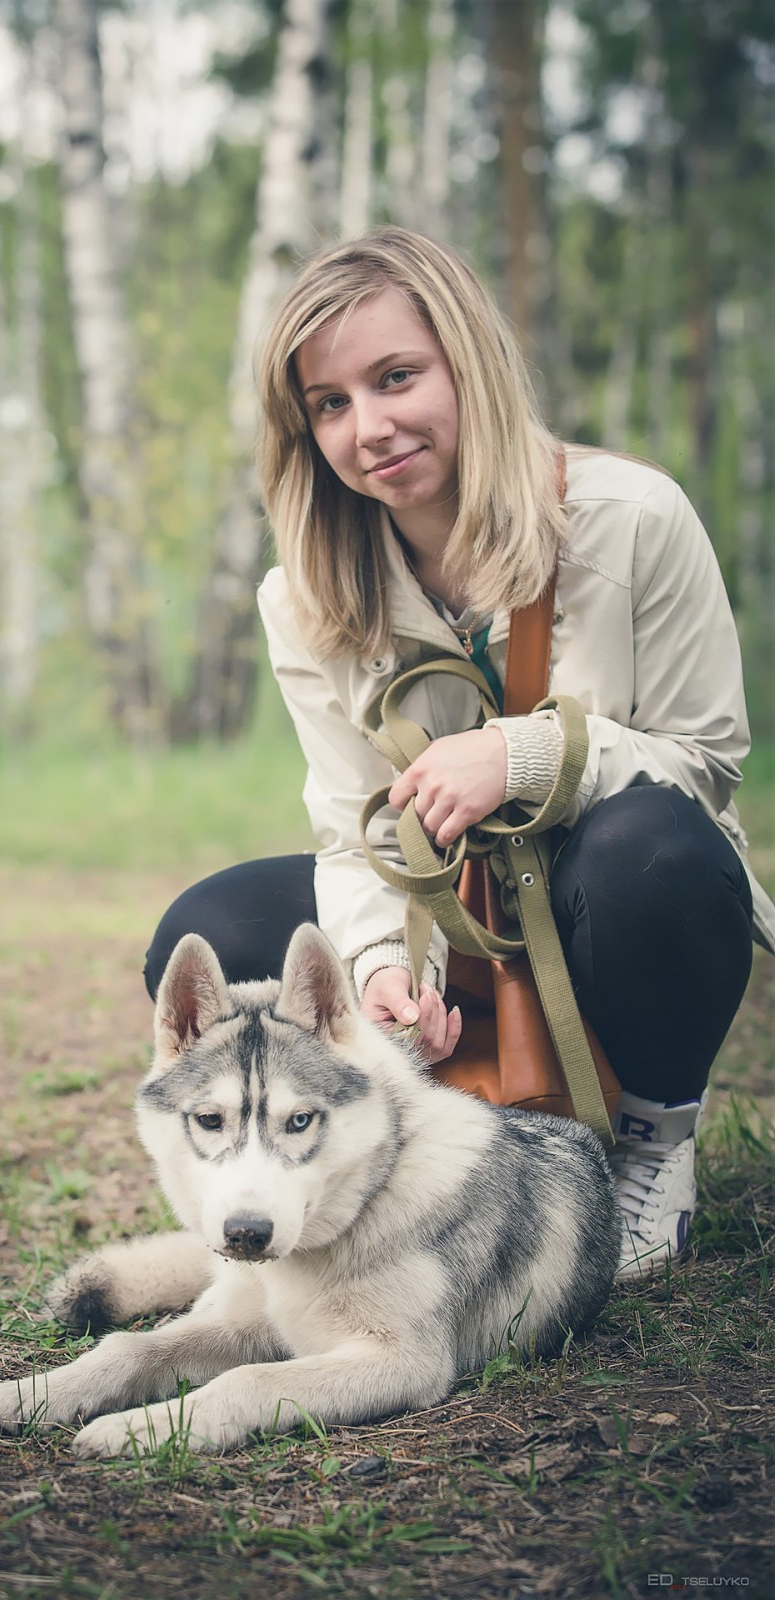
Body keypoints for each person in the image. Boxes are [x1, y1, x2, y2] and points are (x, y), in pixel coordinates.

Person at [145, 227, 775, 1280]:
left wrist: (521, 758)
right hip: (440, 908)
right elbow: (349, 828)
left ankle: (652, 1142)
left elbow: (702, 763)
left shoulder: (632, 518)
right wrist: (379, 972)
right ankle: (337, 1156)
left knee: (655, 850)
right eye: (329, 403)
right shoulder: (300, 594)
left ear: (466, 362)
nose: (369, 428)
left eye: (396, 377)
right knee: (209, 928)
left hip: (603, 895)